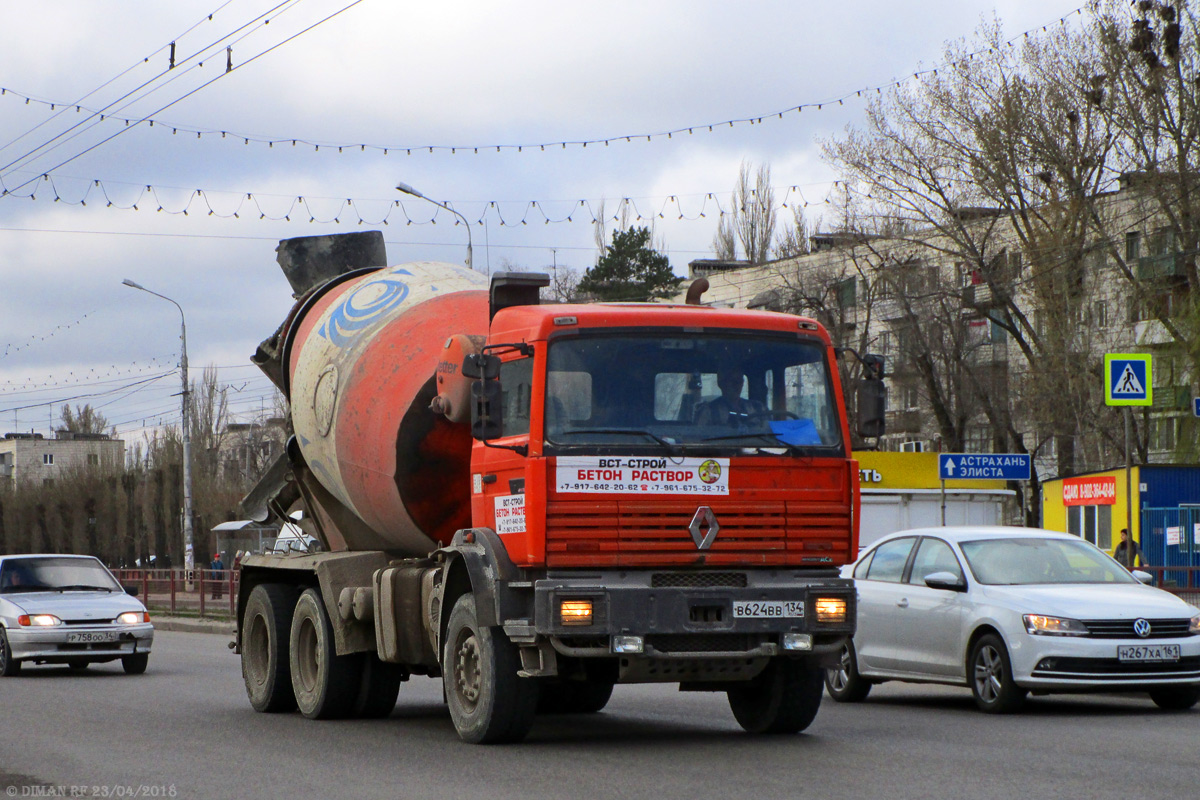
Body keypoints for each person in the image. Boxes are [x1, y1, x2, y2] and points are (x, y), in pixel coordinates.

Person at [694, 365, 765, 426]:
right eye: (732, 381)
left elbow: (769, 434)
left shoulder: (758, 408)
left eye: (739, 381)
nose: (736, 386)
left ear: (742, 383)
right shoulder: (707, 411)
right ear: (721, 383)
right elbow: (697, 439)